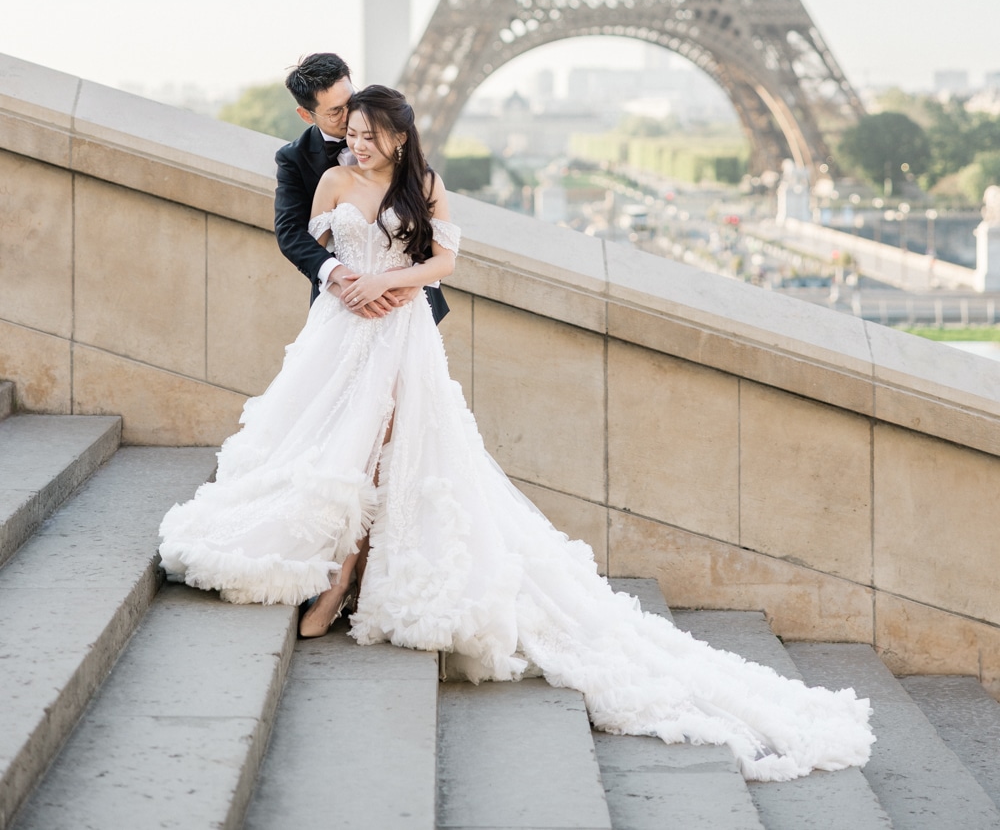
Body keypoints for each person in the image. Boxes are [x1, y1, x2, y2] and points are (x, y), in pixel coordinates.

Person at [159, 86, 873, 783]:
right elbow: (316, 253)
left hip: (401, 328)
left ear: (399, 137)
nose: (358, 139)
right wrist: (350, 279)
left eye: (371, 131)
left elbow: (446, 262)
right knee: (342, 444)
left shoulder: (425, 186)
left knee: (392, 445)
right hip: (345, 332)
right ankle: (340, 570)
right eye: (354, 130)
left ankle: (347, 575)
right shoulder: (333, 180)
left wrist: (394, 283)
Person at [273, 51, 447, 323]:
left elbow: (423, 221)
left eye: (350, 101)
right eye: (335, 112)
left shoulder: (395, 142)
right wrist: (340, 279)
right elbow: (291, 233)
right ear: (307, 116)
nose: (349, 115)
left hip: (406, 305)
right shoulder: (295, 159)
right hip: (343, 303)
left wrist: (414, 279)